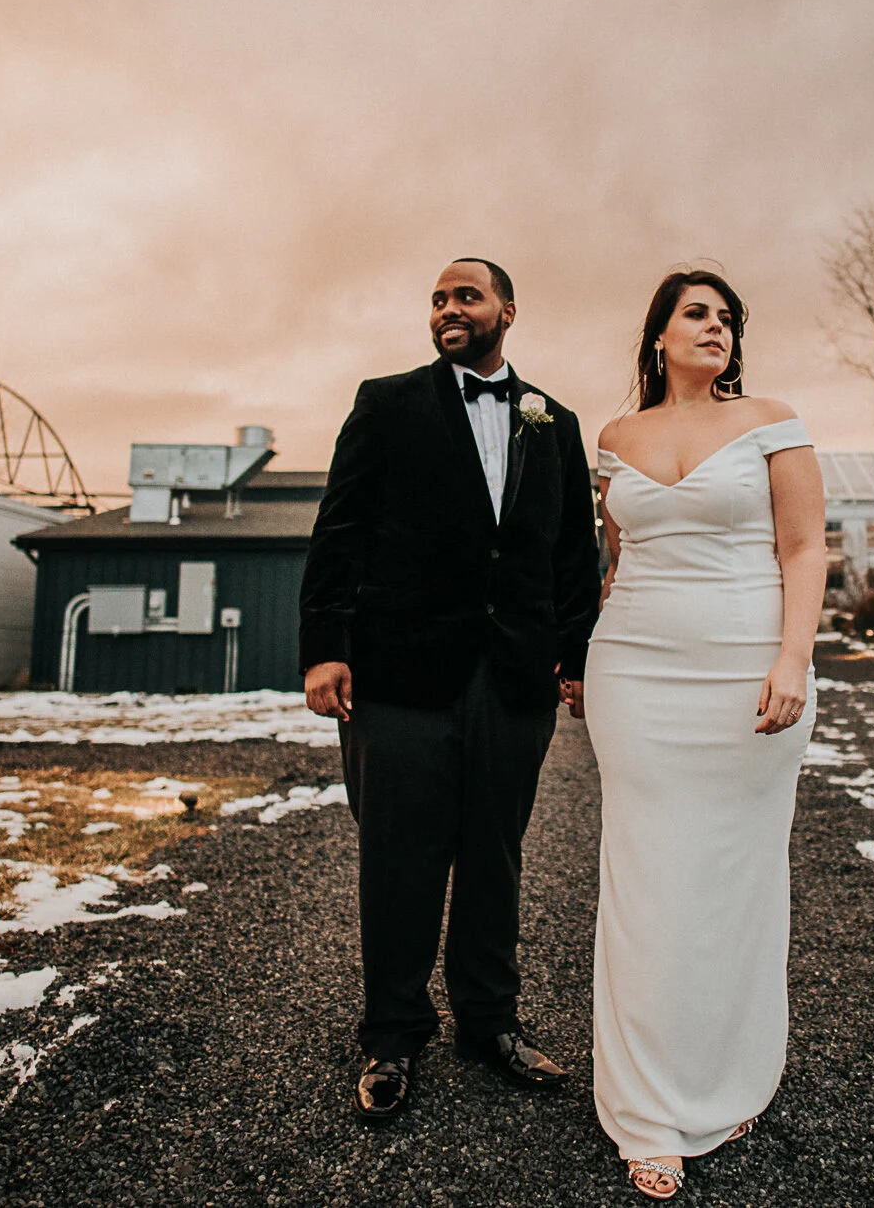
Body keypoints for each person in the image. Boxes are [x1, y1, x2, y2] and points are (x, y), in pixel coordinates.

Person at [299, 258, 602, 1122]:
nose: (448, 309)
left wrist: (572, 655)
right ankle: (392, 1033)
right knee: (399, 858)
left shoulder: (554, 421)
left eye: (466, 295)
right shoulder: (386, 403)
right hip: (401, 676)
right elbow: (340, 531)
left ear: (508, 309)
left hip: (513, 680)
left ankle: (490, 1021)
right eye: (437, 299)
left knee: (495, 857)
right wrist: (325, 647)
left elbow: (569, 556)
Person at [583, 270, 827, 1199]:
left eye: (729, 319)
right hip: (636, 672)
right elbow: (611, 561)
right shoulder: (615, 439)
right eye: (698, 313)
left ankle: (729, 1079)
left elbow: (803, 548)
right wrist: (579, 657)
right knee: (647, 884)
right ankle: (645, 1108)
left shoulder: (771, 418)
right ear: (659, 334)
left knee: (734, 883)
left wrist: (791, 660)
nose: (717, 327)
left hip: (746, 671)